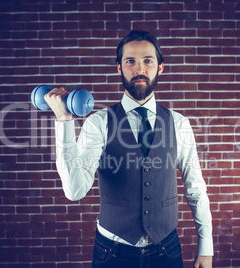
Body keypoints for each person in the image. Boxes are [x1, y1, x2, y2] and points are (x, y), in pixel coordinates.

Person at [44, 30, 213, 268]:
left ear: (160, 68)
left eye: (147, 61)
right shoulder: (98, 122)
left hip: (166, 251)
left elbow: (195, 188)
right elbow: (74, 191)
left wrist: (206, 248)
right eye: (130, 61)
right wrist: (63, 121)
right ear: (119, 68)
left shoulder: (179, 123)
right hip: (112, 253)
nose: (139, 68)